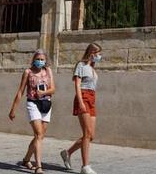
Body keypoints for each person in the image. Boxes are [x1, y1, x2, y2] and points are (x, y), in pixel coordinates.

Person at [9, 49, 56, 173]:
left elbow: (53, 89)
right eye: (38, 59)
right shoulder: (28, 72)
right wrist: (13, 109)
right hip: (33, 103)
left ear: (45, 61)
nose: (40, 61)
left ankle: (26, 159)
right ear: (33, 59)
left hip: (46, 103)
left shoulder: (48, 71)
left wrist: (44, 92)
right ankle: (38, 166)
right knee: (39, 134)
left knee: (39, 136)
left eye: (42, 59)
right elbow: (20, 91)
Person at [60, 43, 102, 174]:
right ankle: (85, 166)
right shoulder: (81, 65)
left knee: (91, 135)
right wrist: (80, 101)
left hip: (92, 98)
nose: (99, 56)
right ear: (91, 52)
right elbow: (77, 85)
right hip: (83, 96)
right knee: (87, 134)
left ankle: (67, 152)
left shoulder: (93, 68)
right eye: (98, 53)